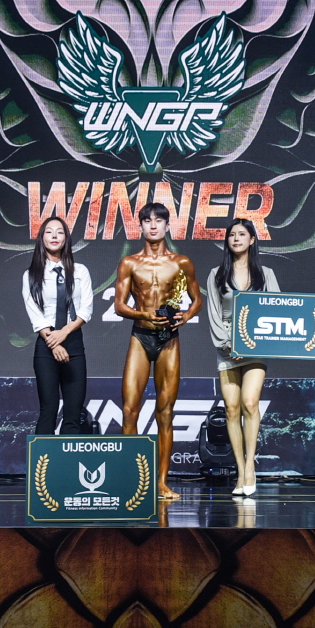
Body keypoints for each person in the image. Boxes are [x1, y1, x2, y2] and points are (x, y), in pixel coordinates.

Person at [114, 202, 204, 500]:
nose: (153, 226)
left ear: (167, 225)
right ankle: (130, 480)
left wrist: (186, 316)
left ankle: (162, 483)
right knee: (130, 410)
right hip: (140, 337)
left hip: (169, 340)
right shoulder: (129, 263)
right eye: (147, 221)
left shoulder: (181, 263)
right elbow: (119, 306)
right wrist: (144, 314)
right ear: (140, 226)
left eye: (159, 220)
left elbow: (197, 298)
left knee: (165, 412)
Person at [206, 218, 279, 496]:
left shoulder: (266, 274)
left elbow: (281, 308)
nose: (236, 239)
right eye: (232, 235)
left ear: (252, 240)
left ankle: (250, 469)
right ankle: (240, 470)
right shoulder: (216, 274)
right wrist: (226, 345)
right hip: (227, 347)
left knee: (250, 402)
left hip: (256, 347)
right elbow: (214, 313)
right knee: (231, 408)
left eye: (242, 234)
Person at [23, 217, 93, 435]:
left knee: (73, 413)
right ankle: (43, 459)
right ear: (42, 238)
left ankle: (68, 458)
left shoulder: (80, 271)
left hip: (73, 343)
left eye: (60, 232)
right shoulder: (31, 274)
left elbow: (86, 309)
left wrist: (64, 333)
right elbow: (35, 313)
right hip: (46, 345)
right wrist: (54, 342)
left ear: (66, 238)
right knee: (48, 411)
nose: (54, 236)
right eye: (49, 232)